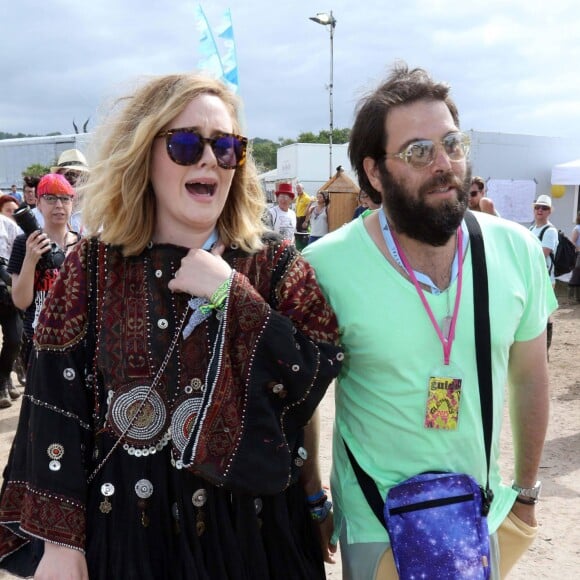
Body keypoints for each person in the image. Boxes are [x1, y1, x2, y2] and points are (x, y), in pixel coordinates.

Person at [0, 73, 342, 580]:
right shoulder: (93, 265)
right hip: (130, 533)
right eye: (186, 144)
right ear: (145, 155)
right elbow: (54, 399)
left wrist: (231, 295)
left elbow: (313, 373)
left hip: (254, 534)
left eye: (227, 147)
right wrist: (60, 542)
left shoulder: (272, 263)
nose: (210, 159)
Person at [303, 63, 556, 580]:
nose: (445, 163)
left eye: (453, 144)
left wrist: (526, 495)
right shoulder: (324, 266)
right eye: (419, 152)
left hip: (478, 516)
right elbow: (304, 394)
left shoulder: (516, 250)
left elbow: (530, 376)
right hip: (377, 519)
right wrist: (312, 493)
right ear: (374, 172)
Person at [8, 173, 81, 372]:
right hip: (39, 341)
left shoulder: (84, 244)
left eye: (65, 198)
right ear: (38, 203)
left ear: (72, 203)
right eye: (50, 198)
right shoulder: (24, 243)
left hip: (78, 342)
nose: (59, 205)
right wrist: (31, 260)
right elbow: (21, 301)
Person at [529, 194, 559, 355]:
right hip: (533, 278)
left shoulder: (550, 231)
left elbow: (544, 253)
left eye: (544, 208)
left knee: (545, 314)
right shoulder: (532, 228)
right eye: (537, 207)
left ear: (549, 212)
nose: (540, 210)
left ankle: (544, 351)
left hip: (545, 279)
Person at [0, 213, 23, 408]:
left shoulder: (7, 225)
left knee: (15, 339)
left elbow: (20, 256)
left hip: (6, 292)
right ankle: (2, 385)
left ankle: (4, 377)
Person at [295, 183, 313, 251]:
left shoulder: (307, 198)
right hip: (298, 218)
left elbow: (309, 211)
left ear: (303, 188)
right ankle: (300, 250)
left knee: (304, 236)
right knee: (298, 235)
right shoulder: (298, 197)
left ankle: (306, 250)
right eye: (297, 188)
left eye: (299, 188)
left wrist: (306, 221)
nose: (298, 190)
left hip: (304, 218)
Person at [569, 211, 580, 301]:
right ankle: (575, 297)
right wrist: (578, 248)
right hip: (578, 255)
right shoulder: (577, 228)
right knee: (577, 275)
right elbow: (572, 241)